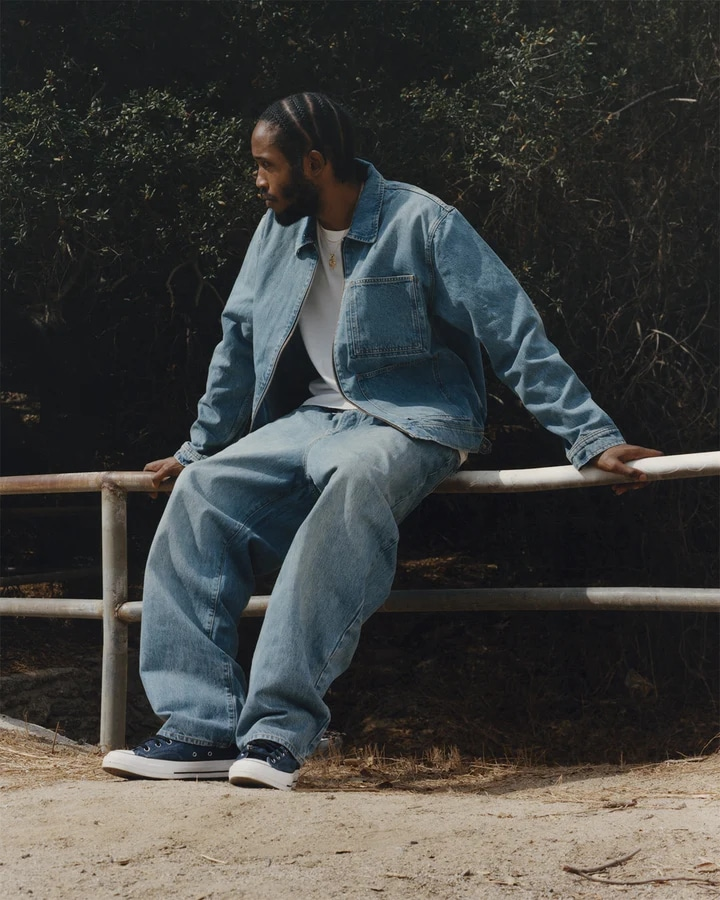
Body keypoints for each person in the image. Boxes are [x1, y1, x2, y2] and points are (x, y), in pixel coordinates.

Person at [102, 92, 661, 790]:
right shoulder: (276, 232)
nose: (257, 180)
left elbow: (511, 330)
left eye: (267, 165)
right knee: (200, 495)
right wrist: (199, 448)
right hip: (313, 420)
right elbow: (238, 342)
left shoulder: (422, 221)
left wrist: (589, 434)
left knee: (354, 483)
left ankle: (276, 732)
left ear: (314, 163)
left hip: (411, 420)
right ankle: (199, 727)